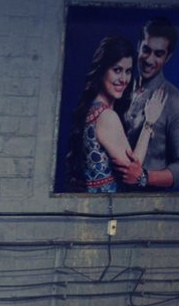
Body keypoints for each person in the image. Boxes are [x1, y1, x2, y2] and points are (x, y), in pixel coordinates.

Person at [66, 36, 164, 193]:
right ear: (102, 70)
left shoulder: (91, 110)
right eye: (117, 70)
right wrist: (149, 123)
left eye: (128, 71)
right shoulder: (107, 117)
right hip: (107, 211)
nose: (123, 79)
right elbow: (132, 171)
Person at [118, 16, 179, 190]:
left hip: (148, 208)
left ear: (168, 57)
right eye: (146, 50)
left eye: (158, 54)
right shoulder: (120, 88)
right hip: (111, 200)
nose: (149, 60)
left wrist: (144, 177)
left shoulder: (174, 100)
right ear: (138, 46)